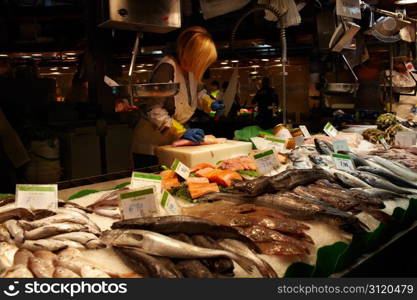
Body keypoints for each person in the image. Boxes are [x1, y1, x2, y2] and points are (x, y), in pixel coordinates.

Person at [131, 26, 224, 168]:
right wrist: (181, 131)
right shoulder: (167, 68)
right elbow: (153, 110)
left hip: (173, 142)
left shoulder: (190, 70)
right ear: (192, 55)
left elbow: (197, 94)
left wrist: (210, 104)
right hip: (151, 144)